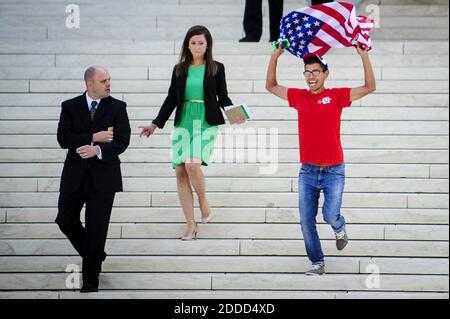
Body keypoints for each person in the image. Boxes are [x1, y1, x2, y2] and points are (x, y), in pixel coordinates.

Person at [266, 46, 376, 275]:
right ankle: (317, 262)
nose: (310, 76)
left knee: (330, 215)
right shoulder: (299, 97)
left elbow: (369, 87)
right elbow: (271, 86)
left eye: (316, 71)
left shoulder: (336, 96)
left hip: (334, 171)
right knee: (307, 221)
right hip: (308, 172)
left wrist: (364, 56)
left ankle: (339, 226)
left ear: (326, 73)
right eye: (307, 72)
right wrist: (275, 56)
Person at [139, 26, 238, 241]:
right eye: (193, 43)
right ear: (187, 45)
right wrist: (156, 124)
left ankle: (203, 203)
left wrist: (235, 113)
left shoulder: (217, 68)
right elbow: (171, 99)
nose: (197, 46)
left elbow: (224, 97)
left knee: (193, 164)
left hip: (206, 120)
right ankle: (190, 225)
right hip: (184, 121)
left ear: (207, 45)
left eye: (201, 43)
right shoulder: (179, 69)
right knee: (180, 171)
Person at [56, 66, 131, 292]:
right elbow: (63, 138)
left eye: (109, 79)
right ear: (90, 84)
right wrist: (91, 138)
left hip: (104, 178)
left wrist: (98, 150)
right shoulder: (70, 106)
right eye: (103, 81)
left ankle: (90, 281)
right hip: (74, 177)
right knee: (65, 220)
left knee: (97, 227)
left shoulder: (118, 107)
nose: (108, 84)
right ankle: (96, 254)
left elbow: (122, 140)